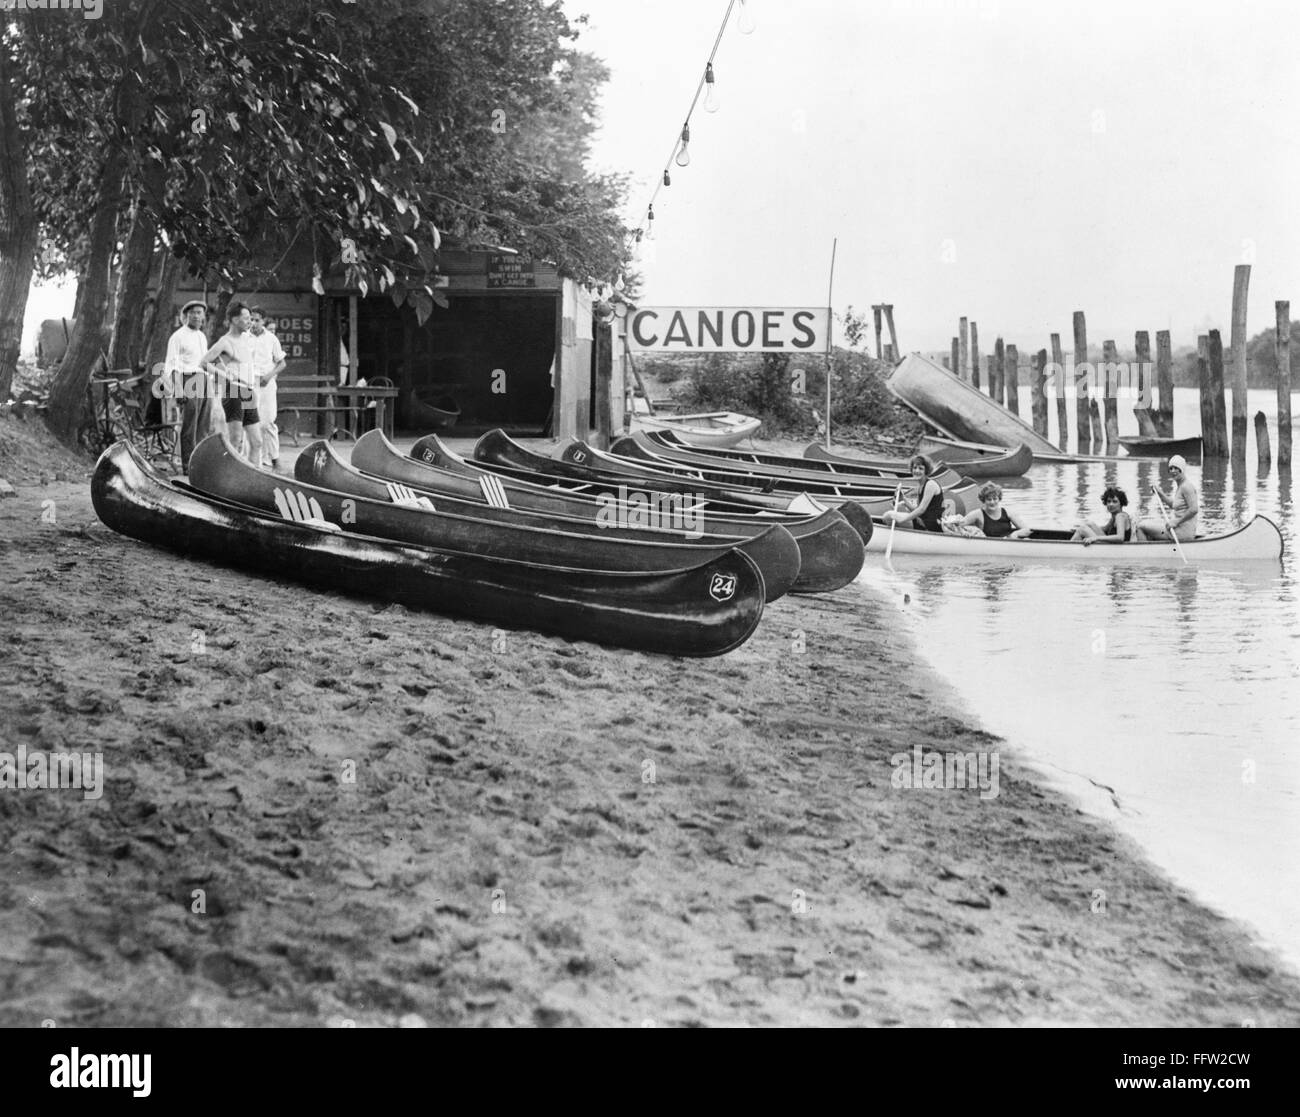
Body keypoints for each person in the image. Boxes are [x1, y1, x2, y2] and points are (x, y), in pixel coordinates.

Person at [201, 301, 262, 464]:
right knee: (235, 441)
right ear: (235, 320)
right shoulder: (225, 341)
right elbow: (204, 362)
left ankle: (252, 479)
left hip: (248, 391)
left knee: (256, 442)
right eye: (246, 318)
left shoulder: (247, 339)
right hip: (234, 392)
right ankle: (227, 477)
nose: (250, 321)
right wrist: (224, 375)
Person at [166, 300, 212, 472]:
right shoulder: (177, 337)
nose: (197, 316)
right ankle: (188, 464)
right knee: (190, 425)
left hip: (203, 379)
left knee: (204, 424)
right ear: (186, 315)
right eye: (193, 312)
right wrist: (178, 389)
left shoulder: (201, 336)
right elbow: (173, 365)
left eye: (200, 313)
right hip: (188, 379)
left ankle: (200, 463)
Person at [249, 307, 286, 470]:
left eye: (257, 320)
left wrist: (269, 376)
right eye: (251, 319)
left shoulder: (271, 339)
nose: (253, 323)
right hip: (249, 383)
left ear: (263, 321)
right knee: (249, 421)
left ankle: (275, 458)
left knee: (268, 422)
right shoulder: (244, 337)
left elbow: (282, 363)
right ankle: (251, 462)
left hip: (267, 383)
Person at [1137, 455, 1199, 541]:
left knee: (1141, 526)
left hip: (1182, 532)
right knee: (1149, 523)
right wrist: (1160, 493)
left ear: (1182, 469)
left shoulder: (1186, 487)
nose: (1173, 471)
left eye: (1176, 468)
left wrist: (1176, 522)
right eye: (1171, 468)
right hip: (1179, 528)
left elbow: (1194, 509)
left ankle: (1145, 553)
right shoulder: (1181, 486)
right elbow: (1173, 505)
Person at [881, 454, 946, 532]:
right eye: (915, 468)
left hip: (931, 524)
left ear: (926, 471)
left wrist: (903, 519)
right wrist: (905, 501)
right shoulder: (921, 485)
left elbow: (921, 510)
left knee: (888, 516)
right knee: (888, 517)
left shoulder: (930, 484)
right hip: (923, 521)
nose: (917, 471)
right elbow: (918, 510)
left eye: (921, 468)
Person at [960, 481, 1031, 539]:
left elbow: (1027, 530)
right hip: (988, 546)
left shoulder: (1008, 513)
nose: (992, 502)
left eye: (995, 499)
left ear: (999, 499)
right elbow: (957, 525)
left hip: (1008, 543)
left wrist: (1016, 533)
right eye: (989, 499)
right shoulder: (977, 514)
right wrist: (964, 532)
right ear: (983, 500)